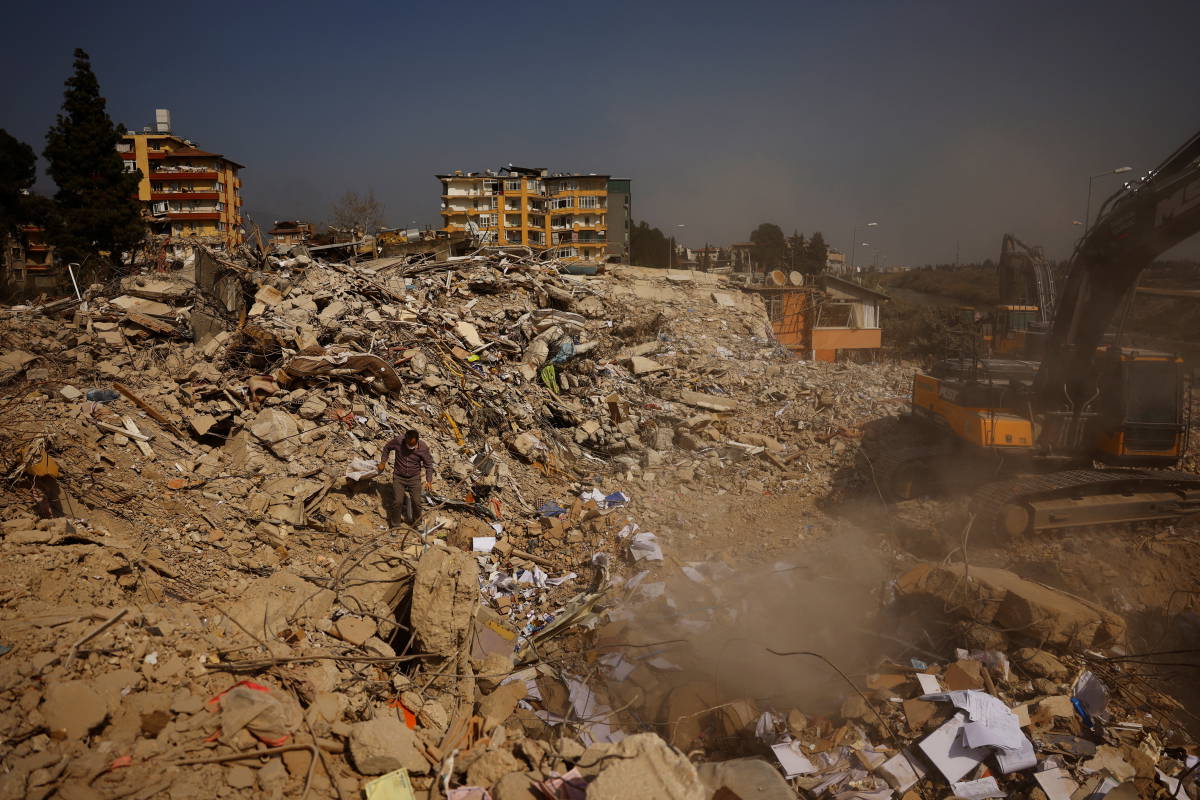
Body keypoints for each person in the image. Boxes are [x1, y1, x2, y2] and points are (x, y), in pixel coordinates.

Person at [378, 429, 434, 527]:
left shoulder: (423, 447)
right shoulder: (398, 441)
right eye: (409, 444)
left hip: (414, 478)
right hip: (399, 477)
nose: (411, 447)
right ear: (405, 439)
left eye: (413, 445)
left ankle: (417, 523)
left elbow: (428, 465)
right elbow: (387, 448)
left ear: (417, 440)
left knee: (417, 502)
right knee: (398, 502)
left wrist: (429, 481)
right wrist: (383, 462)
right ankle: (395, 525)